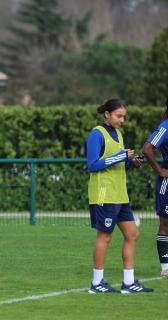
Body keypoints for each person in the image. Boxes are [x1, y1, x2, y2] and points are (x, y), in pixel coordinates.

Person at [86, 99, 153, 294]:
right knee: (105, 236)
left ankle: (128, 283)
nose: (122, 120)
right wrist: (121, 156)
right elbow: (93, 165)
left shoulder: (119, 134)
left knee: (132, 234)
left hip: (120, 194)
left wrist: (133, 162)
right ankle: (96, 283)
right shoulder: (96, 134)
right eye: (119, 116)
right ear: (107, 114)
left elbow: (119, 164)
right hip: (104, 193)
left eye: (124, 116)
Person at [142, 98, 168, 278]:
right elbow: (147, 148)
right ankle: (166, 267)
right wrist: (159, 170)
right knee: (166, 225)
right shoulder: (165, 127)